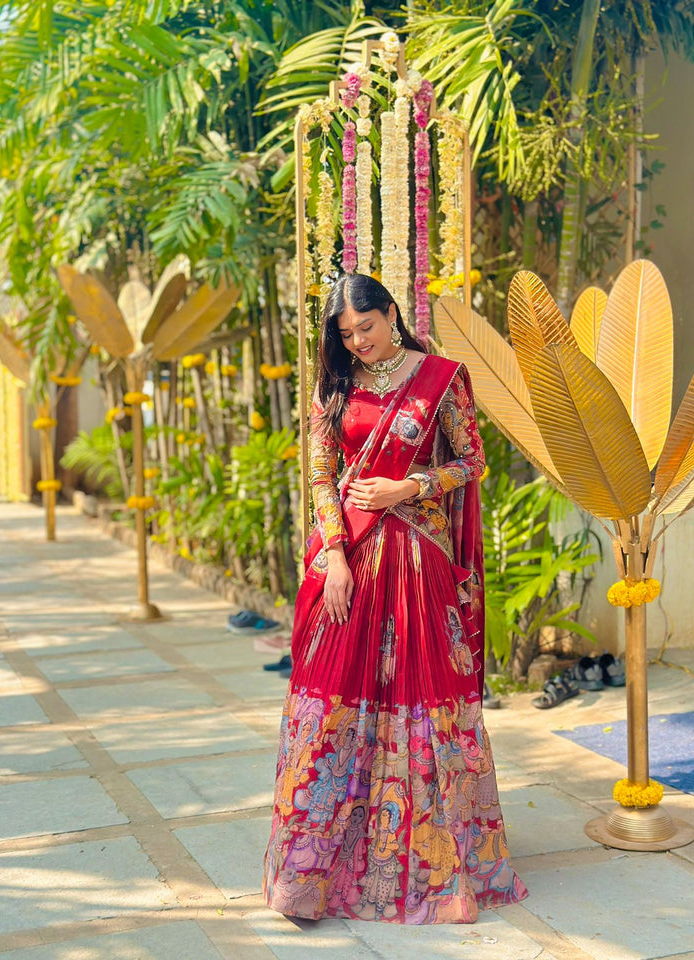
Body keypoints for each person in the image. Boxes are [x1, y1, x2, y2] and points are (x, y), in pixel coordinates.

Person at [263, 273, 527, 924]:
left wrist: (405, 488)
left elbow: (473, 463)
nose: (359, 344)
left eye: (368, 328)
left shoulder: (442, 378)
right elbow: (322, 475)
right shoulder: (336, 384)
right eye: (347, 336)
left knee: (419, 698)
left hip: (418, 561)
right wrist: (335, 555)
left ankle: (436, 867)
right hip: (350, 560)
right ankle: (307, 874)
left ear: (391, 314)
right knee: (330, 703)